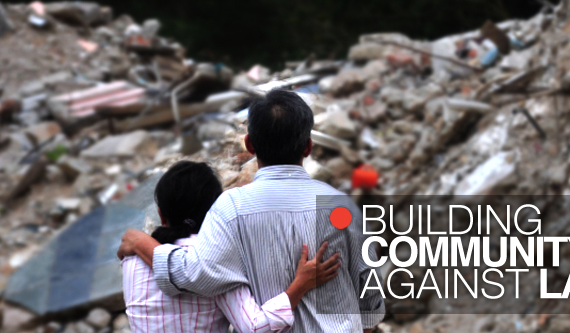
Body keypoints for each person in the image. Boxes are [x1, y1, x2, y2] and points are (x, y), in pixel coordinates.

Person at [118, 89, 384, 333]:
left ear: (249, 145)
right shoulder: (341, 206)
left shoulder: (231, 208)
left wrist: (142, 243)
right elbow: (368, 285)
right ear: (308, 147)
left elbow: (196, 274)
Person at [122, 161, 341, 333]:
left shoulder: (132, 260)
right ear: (213, 211)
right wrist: (301, 284)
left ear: (161, 215)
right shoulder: (216, 256)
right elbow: (255, 327)